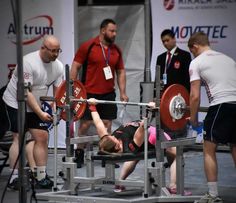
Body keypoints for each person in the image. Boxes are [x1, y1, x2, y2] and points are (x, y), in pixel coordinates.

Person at [87, 98, 192, 195]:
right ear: (117, 146)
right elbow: (143, 126)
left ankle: (120, 182)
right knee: (176, 154)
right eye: (114, 138)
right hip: (151, 134)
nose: (112, 136)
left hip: (143, 138)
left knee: (134, 158)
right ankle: (174, 187)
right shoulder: (130, 146)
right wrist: (150, 110)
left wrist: (92, 107)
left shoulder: (106, 141)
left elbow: (98, 123)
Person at [2, 35, 64, 189]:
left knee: (42, 136)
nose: (55, 54)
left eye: (58, 51)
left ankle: (41, 176)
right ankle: (14, 178)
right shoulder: (27, 63)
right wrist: (41, 113)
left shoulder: (58, 66)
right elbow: (26, 94)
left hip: (35, 102)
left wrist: (55, 110)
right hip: (16, 102)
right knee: (19, 137)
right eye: (53, 51)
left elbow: (57, 92)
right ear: (43, 48)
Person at [70, 18, 129, 168]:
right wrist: (73, 89)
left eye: (115, 31)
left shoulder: (116, 50)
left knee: (107, 124)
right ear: (103, 30)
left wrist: (123, 92)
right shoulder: (88, 46)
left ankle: (106, 153)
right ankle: (79, 154)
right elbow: (75, 67)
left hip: (108, 93)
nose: (114, 34)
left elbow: (120, 72)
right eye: (112, 30)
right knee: (85, 125)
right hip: (89, 93)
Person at [188, 31, 236, 203]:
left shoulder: (197, 62)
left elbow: (194, 96)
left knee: (209, 150)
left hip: (220, 106)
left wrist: (193, 119)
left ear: (195, 46)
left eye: (192, 51)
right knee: (235, 147)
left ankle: (213, 195)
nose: (192, 54)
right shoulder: (228, 59)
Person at [156, 29, 191, 93]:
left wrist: (186, 94)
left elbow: (187, 79)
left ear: (174, 39)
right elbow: (157, 78)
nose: (165, 43)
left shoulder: (184, 55)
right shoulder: (160, 58)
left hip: (178, 93)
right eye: (163, 41)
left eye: (167, 40)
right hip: (163, 93)